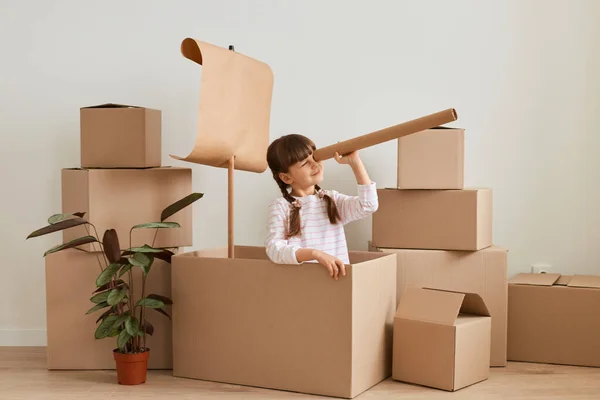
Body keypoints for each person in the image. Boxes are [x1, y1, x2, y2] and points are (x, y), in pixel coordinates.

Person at [265, 133, 378, 280]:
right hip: (303, 286)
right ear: (286, 177)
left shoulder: (331, 200)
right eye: (305, 163)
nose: (314, 164)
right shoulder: (281, 207)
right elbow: (275, 250)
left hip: (337, 283)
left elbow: (368, 205)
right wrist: (315, 254)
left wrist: (355, 162)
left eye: (315, 157)